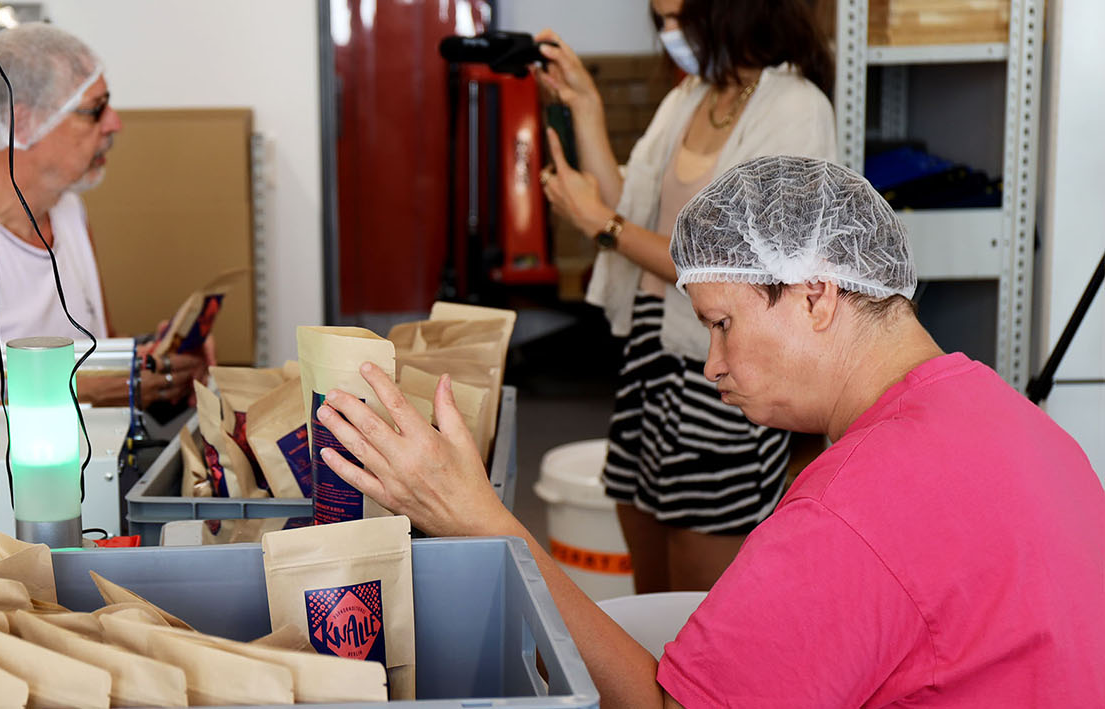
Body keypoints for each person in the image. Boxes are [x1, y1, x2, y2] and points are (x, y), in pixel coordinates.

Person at [314, 156, 1105, 706]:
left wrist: (484, 520)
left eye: (722, 324)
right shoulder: (1021, 427)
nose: (711, 364)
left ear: (816, 296)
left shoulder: (853, 508)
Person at [534, 0, 837, 592]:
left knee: (699, 594)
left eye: (681, 18)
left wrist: (603, 225)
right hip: (653, 350)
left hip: (722, 364)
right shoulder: (693, 97)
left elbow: (743, 266)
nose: (671, 34)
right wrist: (587, 107)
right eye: (661, 20)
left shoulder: (797, 109)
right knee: (647, 568)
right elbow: (634, 204)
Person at [0, 22, 209, 407]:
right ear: (22, 121)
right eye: (94, 110)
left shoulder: (68, 212)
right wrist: (84, 393)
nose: (115, 123)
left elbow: (97, 349)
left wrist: (158, 360)